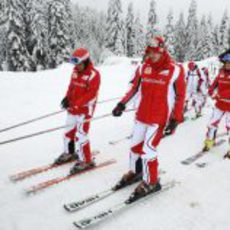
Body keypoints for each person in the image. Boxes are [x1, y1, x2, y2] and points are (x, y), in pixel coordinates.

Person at [112, 36, 186, 201]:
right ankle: (136, 171)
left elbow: (180, 96)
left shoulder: (175, 70)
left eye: (155, 53)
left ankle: (151, 181)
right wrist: (121, 104)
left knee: (148, 150)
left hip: (159, 119)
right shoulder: (143, 68)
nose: (151, 56)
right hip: (142, 115)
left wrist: (176, 119)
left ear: (162, 51)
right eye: (149, 52)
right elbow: (134, 90)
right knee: (134, 147)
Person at [54, 48, 101, 174]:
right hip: (73, 108)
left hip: (85, 110)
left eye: (79, 63)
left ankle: (86, 160)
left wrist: (76, 104)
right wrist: (67, 98)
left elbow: (91, 95)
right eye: (75, 64)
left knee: (81, 135)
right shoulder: (75, 72)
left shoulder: (94, 75)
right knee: (68, 132)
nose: (77, 66)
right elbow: (71, 87)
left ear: (85, 61)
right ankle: (69, 153)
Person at [203, 50, 230, 158]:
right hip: (220, 104)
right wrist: (211, 92)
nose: (228, 65)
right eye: (226, 63)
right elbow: (214, 84)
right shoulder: (221, 72)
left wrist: (222, 94)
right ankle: (209, 142)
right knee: (211, 124)